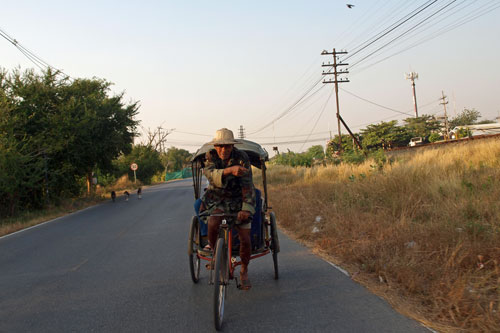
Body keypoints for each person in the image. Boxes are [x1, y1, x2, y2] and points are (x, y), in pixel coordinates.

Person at [201, 128, 256, 290]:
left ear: (232, 147)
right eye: (220, 146)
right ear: (215, 146)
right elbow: (209, 174)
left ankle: (244, 270)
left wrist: (246, 208)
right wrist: (229, 171)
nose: (223, 150)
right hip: (217, 199)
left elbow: (248, 185)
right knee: (212, 222)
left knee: (245, 238)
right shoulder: (210, 156)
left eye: (227, 147)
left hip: (239, 199)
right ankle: (215, 253)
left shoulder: (242, 158)